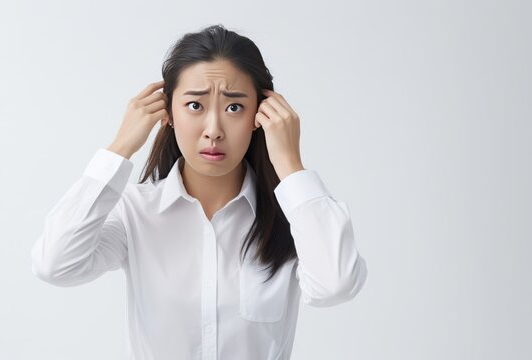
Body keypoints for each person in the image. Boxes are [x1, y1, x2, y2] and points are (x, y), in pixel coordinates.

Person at [31, 24, 368, 360]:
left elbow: (336, 285)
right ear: (169, 112)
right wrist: (120, 147)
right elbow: (55, 264)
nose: (213, 131)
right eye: (195, 105)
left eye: (234, 107)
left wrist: (290, 165)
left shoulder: (291, 216)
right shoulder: (136, 211)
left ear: (260, 115)